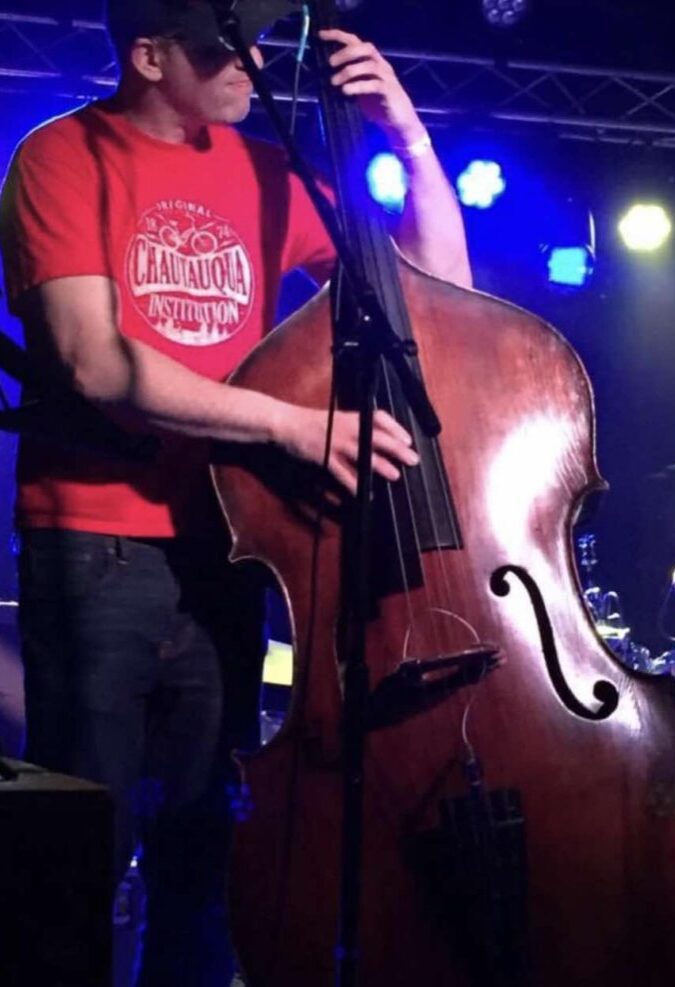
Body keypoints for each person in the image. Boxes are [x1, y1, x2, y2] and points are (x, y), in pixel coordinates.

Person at [0, 1, 472, 984]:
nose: (251, 67)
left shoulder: (265, 170)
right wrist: (298, 428)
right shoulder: (59, 155)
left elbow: (436, 292)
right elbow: (96, 365)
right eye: (222, 50)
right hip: (98, 542)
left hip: (227, 543)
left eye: (257, 44)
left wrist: (412, 142)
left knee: (202, 848)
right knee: (80, 838)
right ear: (148, 55)